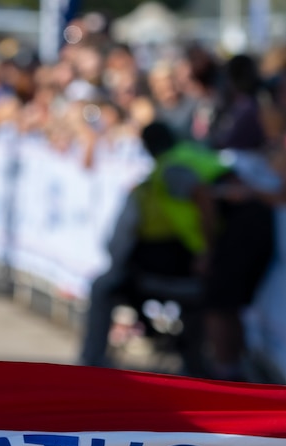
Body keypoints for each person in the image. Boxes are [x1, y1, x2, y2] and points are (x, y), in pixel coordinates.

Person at [78, 121, 274, 379]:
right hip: (237, 234)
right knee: (220, 305)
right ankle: (212, 369)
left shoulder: (168, 170)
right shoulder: (190, 155)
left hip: (223, 242)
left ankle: (227, 376)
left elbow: (203, 196)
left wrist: (207, 252)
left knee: (218, 304)